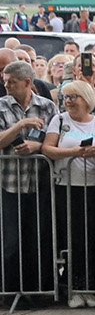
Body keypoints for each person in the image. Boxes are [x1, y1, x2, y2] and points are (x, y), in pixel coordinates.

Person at [42, 80, 95, 307]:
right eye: (66, 97)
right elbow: (47, 148)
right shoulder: (59, 120)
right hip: (67, 188)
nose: (68, 101)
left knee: (93, 237)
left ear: (86, 99)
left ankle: (92, 286)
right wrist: (74, 152)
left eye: (73, 97)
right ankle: (75, 287)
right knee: (73, 238)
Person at [0, 60, 56, 296]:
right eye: (5, 82)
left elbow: (56, 139)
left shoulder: (47, 106)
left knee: (37, 239)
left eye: (12, 82)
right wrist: (20, 124)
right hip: (9, 184)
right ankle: (11, 290)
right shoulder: (1, 106)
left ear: (27, 82)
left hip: (39, 183)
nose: (7, 86)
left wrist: (38, 146)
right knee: (11, 242)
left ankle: (39, 290)